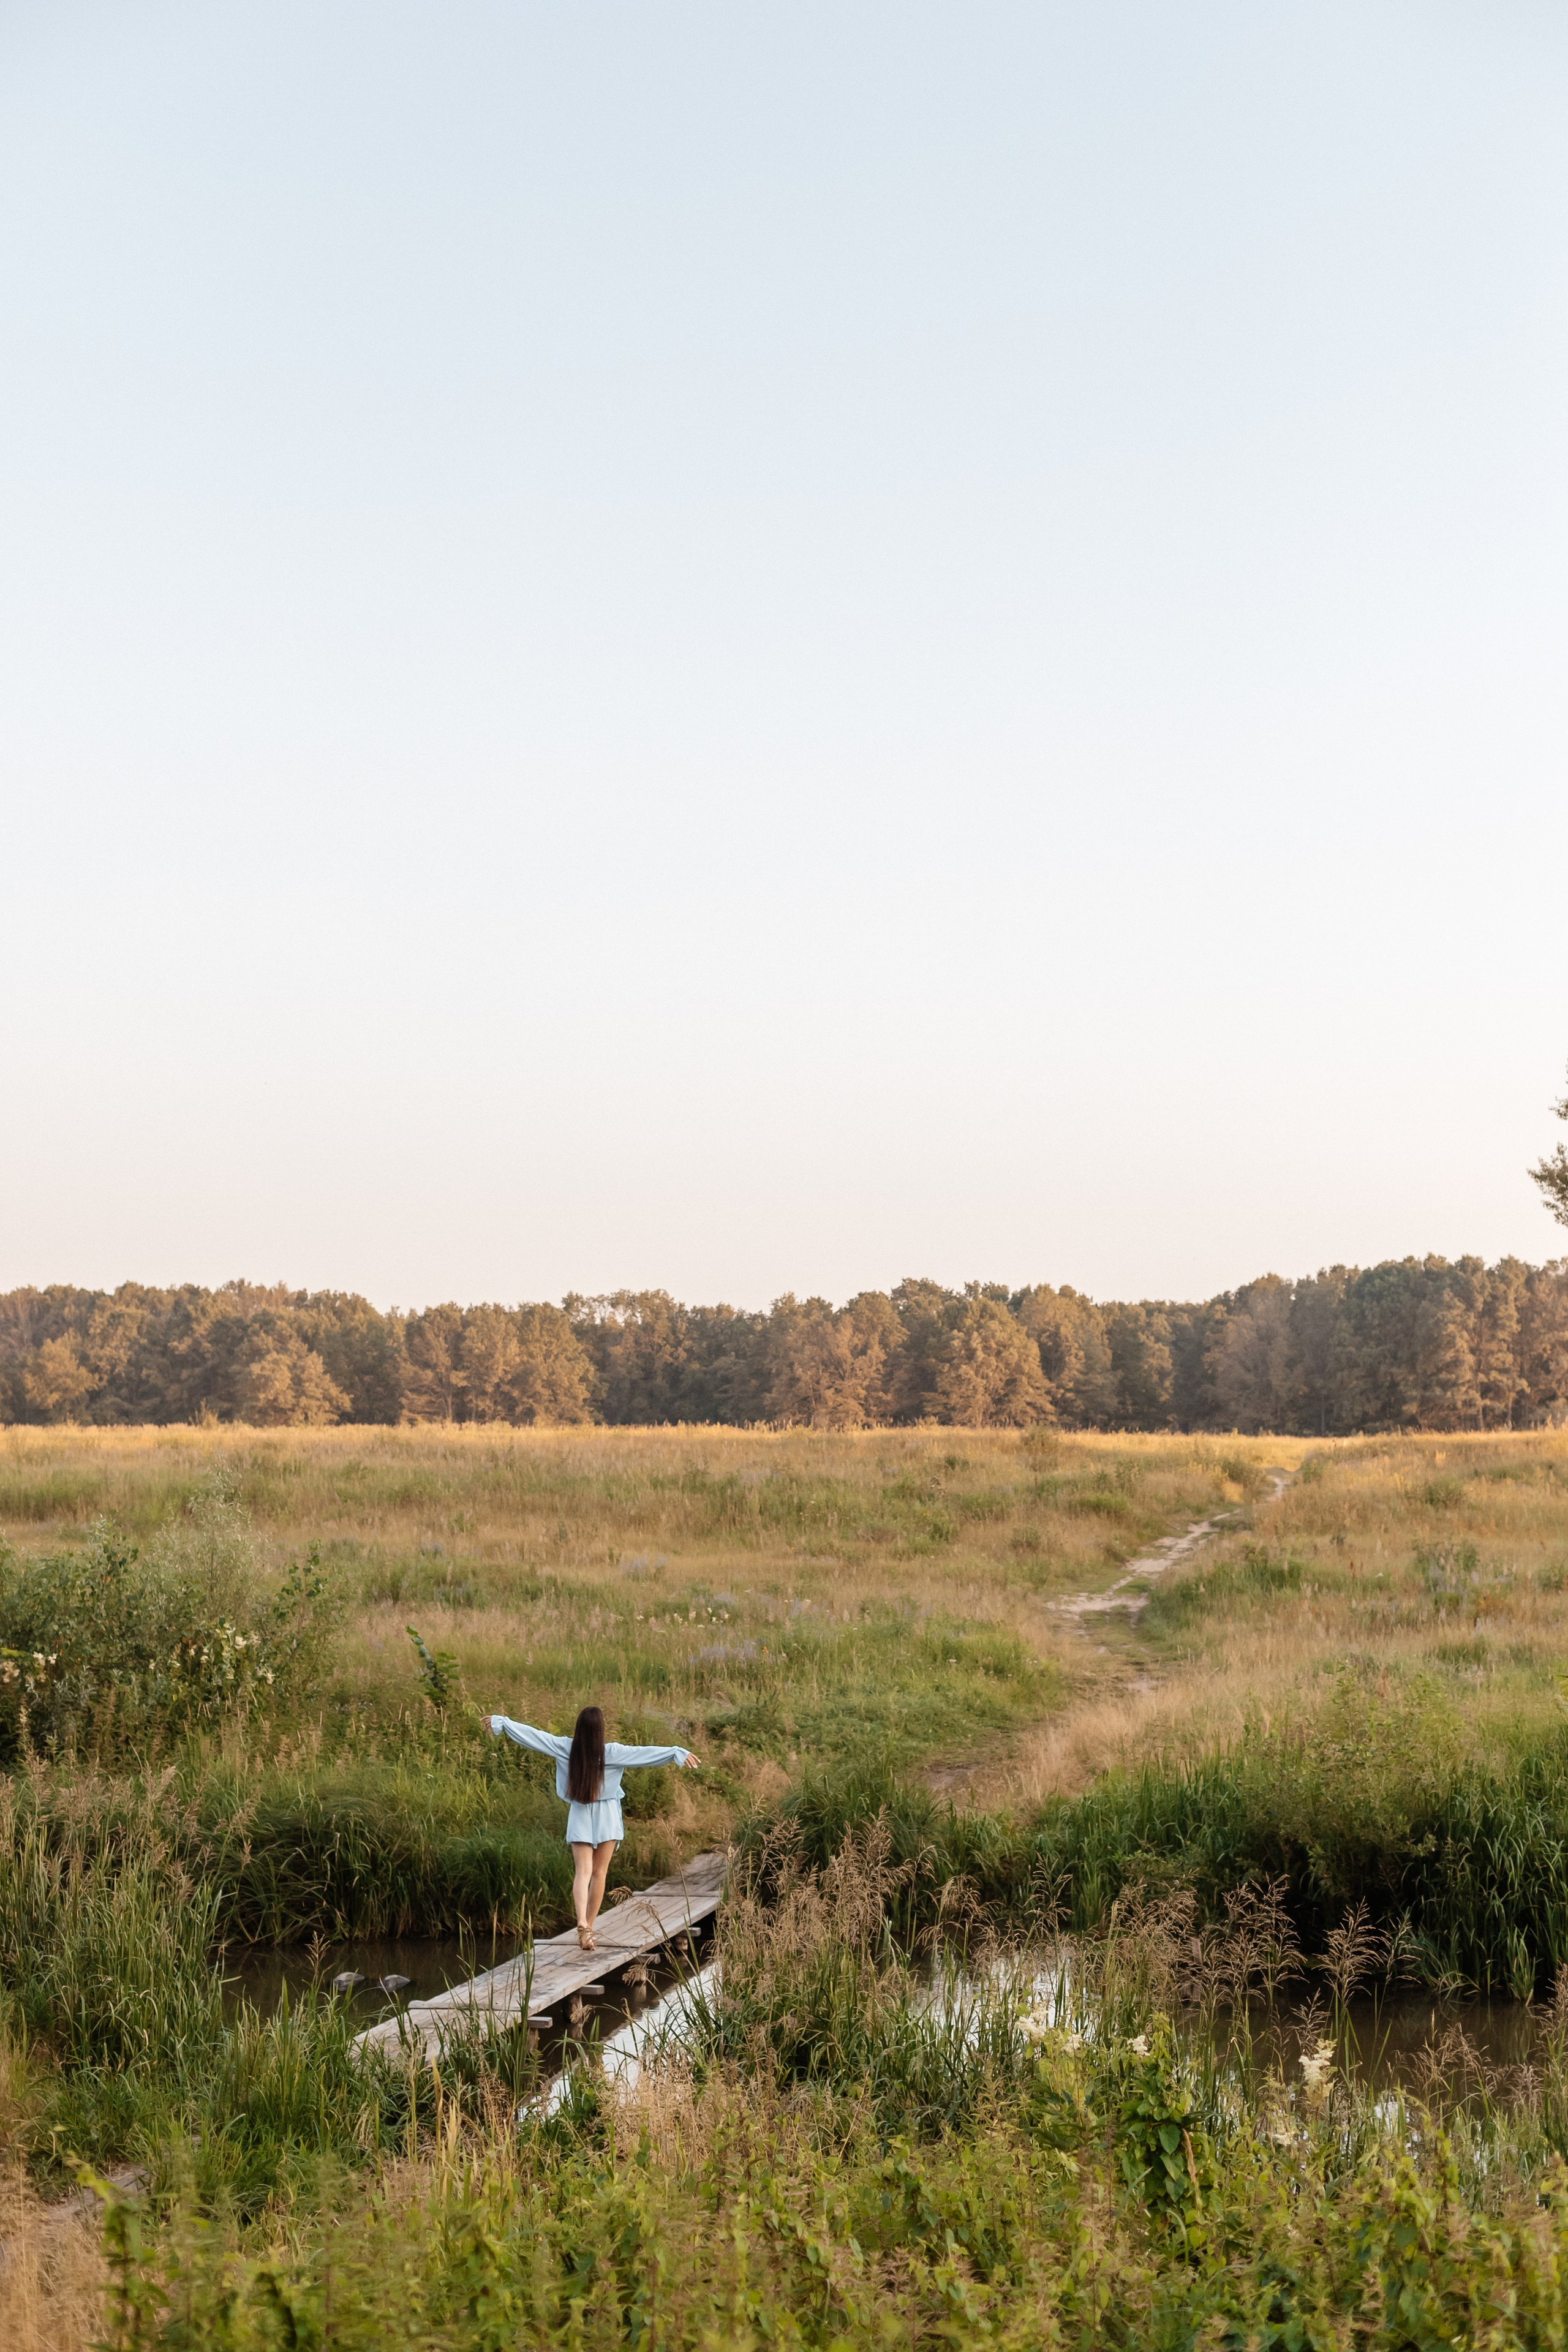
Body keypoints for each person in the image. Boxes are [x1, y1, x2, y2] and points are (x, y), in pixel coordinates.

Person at [486, 1703, 699, 1950]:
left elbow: (536, 1737)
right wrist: (676, 1752)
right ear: (602, 1730)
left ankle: (582, 1923)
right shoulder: (613, 1752)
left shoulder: (567, 1748)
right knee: (600, 1874)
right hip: (607, 1814)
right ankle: (589, 1926)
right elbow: (645, 1754)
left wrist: (503, 1723)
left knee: (583, 1872)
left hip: (580, 1812)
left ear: (579, 1728)